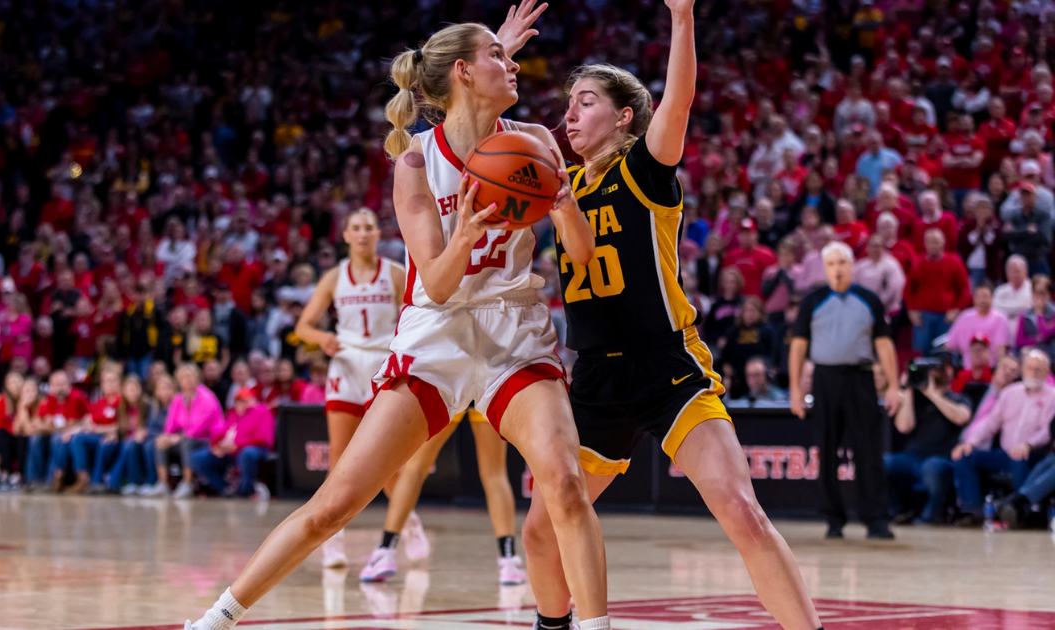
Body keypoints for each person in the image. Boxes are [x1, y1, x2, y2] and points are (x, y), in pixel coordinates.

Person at [184, 7, 613, 629]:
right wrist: (465, 232)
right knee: (334, 506)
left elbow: (579, 255)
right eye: (498, 55)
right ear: (464, 72)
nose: (514, 64)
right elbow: (436, 286)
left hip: (514, 330)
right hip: (435, 333)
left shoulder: (538, 143)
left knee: (566, 486)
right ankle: (213, 621)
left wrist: (567, 204)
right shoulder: (415, 161)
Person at [527, 6, 822, 630]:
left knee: (742, 511)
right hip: (596, 380)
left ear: (624, 115)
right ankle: (552, 625)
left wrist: (682, 17)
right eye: (568, 105)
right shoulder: (560, 188)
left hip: (668, 364)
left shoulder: (643, 170)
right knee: (541, 532)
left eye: (585, 103)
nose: (569, 116)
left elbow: (680, 102)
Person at [294, 208, 406, 567]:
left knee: (387, 459)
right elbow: (303, 327)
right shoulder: (332, 278)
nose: (361, 234)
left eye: (368, 228)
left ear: (377, 234)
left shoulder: (395, 273)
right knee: (339, 458)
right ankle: (333, 540)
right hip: (345, 363)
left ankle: (407, 521)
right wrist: (322, 338)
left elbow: (418, 314)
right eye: (355, 228)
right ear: (345, 235)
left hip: (382, 363)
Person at [790, 241, 900, 539]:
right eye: (831, 264)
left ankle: (875, 518)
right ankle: (833, 519)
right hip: (825, 380)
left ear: (852, 265)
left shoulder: (869, 300)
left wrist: (892, 385)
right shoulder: (812, 301)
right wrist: (795, 391)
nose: (837, 269)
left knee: (868, 451)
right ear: (824, 269)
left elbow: (884, 344)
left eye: (842, 263)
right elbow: (799, 347)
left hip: (861, 379)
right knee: (825, 450)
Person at [360, 407, 525, 586]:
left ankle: (386, 550)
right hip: (483, 386)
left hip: (454, 386)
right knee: (495, 474)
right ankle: (508, 560)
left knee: (415, 468)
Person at [950, 349, 1055, 526]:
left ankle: (1020, 512)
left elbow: (1048, 432)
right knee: (966, 456)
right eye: (1030, 368)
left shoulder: (1052, 396)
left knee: (1019, 458)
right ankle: (974, 511)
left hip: (1033, 452)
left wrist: (1028, 445)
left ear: (1047, 372)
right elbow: (990, 424)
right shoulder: (1009, 393)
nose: (1034, 372)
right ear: (1023, 369)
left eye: (1039, 369)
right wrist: (970, 443)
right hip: (1004, 452)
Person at [885, 358, 972, 523]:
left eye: (936, 370)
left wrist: (932, 393)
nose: (932, 374)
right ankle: (897, 510)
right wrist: (909, 389)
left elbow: (962, 417)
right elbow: (903, 427)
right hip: (912, 458)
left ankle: (930, 515)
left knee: (931, 467)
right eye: (929, 371)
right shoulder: (915, 400)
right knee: (883, 463)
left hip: (942, 459)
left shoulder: (958, 398)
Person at [155, 363, 227, 499]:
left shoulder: (206, 397)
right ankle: (162, 484)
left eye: (191, 376)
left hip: (209, 440)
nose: (188, 380)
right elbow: (170, 425)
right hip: (187, 438)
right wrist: (166, 437)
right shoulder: (178, 399)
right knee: (161, 443)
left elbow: (197, 429)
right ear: (179, 381)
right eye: (184, 377)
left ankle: (187, 484)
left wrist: (175, 438)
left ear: (197, 378)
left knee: (186, 442)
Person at [188, 387, 274, 499]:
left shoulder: (262, 412)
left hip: (253, 448)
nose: (242, 404)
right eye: (239, 400)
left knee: (247, 453)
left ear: (253, 400)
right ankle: (226, 489)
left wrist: (237, 446)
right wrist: (216, 446)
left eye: (246, 400)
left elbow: (262, 439)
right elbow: (220, 433)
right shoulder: (233, 415)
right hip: (229, 451)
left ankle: (245, 492)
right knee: (197, 458)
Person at [904, 229, 972, 354]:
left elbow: (965, 290)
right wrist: (911, 310)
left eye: (936, 242)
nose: (933, 246)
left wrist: (956, 310)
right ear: (924, 244)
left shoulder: (954, 262)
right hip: (923, 316)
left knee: (944, 352)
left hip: (946, 316)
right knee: (919, 353)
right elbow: (908, 290)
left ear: (943, 243)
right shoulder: (917, 263)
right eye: (930, 242)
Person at [68, 366, 124, 494]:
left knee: (104, 444)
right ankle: (83, 478)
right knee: (77, 438)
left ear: (119, 383)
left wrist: (98, 429)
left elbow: (121, 425)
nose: (109, 384)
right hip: (100, 435)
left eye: (112, 381)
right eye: (106, 381)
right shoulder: (100, 402)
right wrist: (75, 429)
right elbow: (88, 421)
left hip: (116, 438)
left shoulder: (122, 401)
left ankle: (97, 482)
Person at [35, 370, 90, 491]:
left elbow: (73, 424)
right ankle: (34, 479)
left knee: (58, 438)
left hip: (79, 432)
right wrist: (51, 426)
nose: (60, 388)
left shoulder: (76, 397)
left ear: (69, 384)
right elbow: (39, 422)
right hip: (60, 434)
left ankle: (54, 478)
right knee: (35, 439)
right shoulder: (51, 399)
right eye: (57, 384)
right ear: (51, 386)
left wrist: (50, 426)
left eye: (63, 384)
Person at [944, 284, 1011, 367]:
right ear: (974, 299)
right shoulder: (965, 317)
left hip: (990, 369)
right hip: (967, 370)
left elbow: (1001, 349)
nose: (982, 300)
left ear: (992, 298)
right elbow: (949, 345)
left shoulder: (1000, 318)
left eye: (985, 296)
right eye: (978, 297)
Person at [993, 255, 1032, 341]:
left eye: (1018, 271)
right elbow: (996, 311)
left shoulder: (1032, 289)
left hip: (1027, 332)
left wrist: (1007, 309)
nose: (1015, 274)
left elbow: (1028, 308)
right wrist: (1020, 307)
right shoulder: (1000, 291)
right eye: (1012, 271)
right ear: (1007, 273)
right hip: (1004, 332)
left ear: (1025, 271)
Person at [1015, 275, 1055, 357]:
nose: (1040, 297)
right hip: (1030, 354)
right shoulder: (1024, 315)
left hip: (1050, 355)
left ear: (1048, 295)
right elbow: (1019, 341)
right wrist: (1036, 339)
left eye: (1042, 293)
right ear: (1032, 294)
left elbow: (1044, 335)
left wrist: (1039, 313)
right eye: (1037, 293)